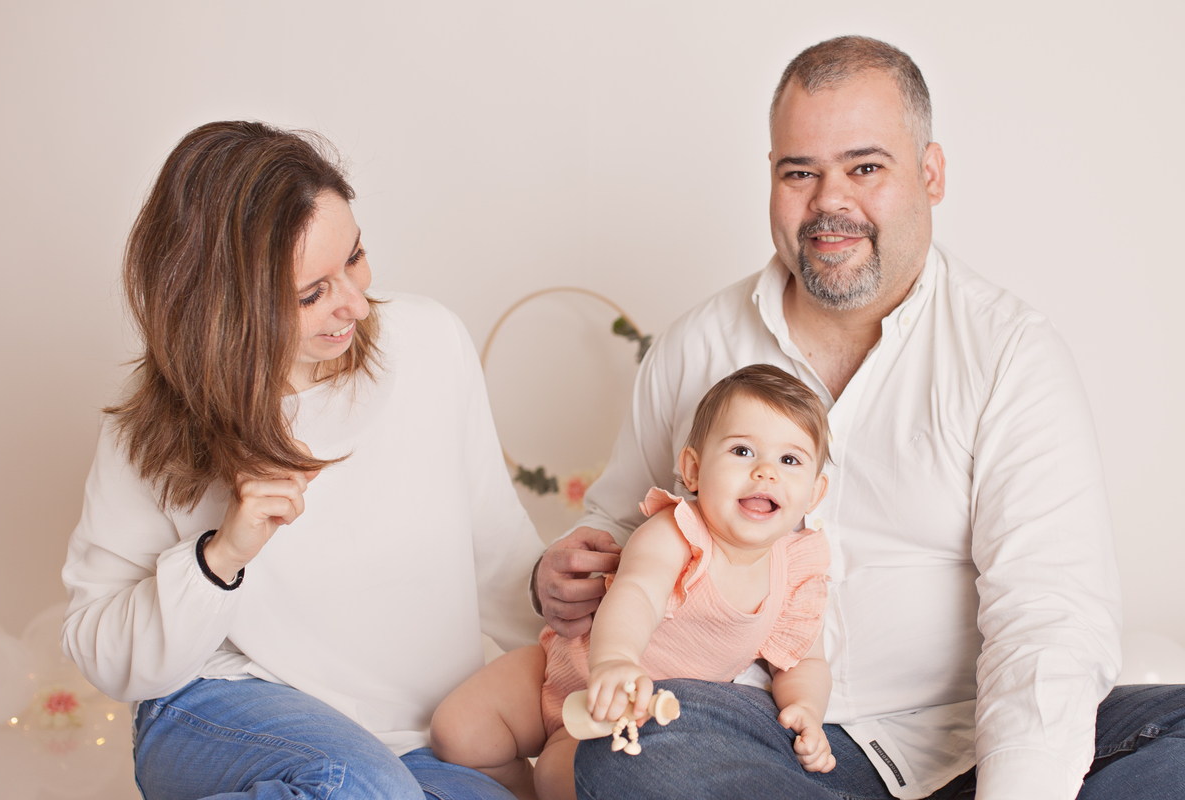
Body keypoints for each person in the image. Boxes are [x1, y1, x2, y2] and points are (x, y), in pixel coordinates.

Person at [535, 36, 1185, 800]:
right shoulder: (695, 347)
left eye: (865, 168)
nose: (829, 203)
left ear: (931, 175)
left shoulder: (1010, 352)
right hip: (759, 734)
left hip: (967, 737)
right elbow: (613, 540)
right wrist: (558, 580)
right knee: (634, 754)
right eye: (799, 172)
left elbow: (1050, 619)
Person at [60, 120, 546, 800]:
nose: (353, 302)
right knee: (359, 785)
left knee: (377, 788)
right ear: (225, 308)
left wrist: (579, 619)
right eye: (310, 294)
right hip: (218, 710)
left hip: (422, 743)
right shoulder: (161, 429)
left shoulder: (428, 342)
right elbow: (99, 649)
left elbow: (495, 553)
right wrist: (218, 557)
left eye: (355, 257)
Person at [431, 365, 836, 800]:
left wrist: (806, 710)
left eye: (789, 460)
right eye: (742, 451)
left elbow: (803, 663)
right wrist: (616, 660)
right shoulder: (678, 532)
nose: (765, 472)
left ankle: (541, 784)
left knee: (560, 775)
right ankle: (518, 790)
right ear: (693, 469)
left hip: (631, 714)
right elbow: (637, 592)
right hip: (565, 665)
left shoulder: (795, 572)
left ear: (813, 493)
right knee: (457, 729)